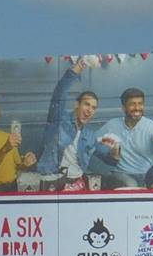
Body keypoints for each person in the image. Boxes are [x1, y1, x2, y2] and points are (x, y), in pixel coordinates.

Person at [35, 59, 104, 189]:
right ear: (76, 105)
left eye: (93, 108)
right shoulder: (60, 119)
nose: (89, 110)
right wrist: (78, 67)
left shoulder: (90, 135)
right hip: (53, 180)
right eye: (86, 104)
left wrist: (115, 150)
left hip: (78, 183)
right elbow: (59, 94)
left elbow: (108, 158)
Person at [94, 88, 153, 188]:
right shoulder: (112, 125)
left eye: (140, 103)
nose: (137, 108)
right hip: (121, 174)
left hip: (147, 175)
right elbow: (91, 142)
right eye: (132, 104)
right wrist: (109, 155)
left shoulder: (151, 126)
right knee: (131, 185)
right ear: (123, 108)